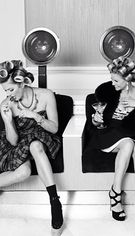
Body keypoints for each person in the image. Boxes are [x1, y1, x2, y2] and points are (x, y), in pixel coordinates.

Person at [88, 56, 135, 230]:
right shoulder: (108, 92)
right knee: (128, 143)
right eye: (112, 79)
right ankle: (116, 191)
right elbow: (99, 121)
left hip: (133, 133)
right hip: (109, 134)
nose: (112, 84)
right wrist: (96, 119)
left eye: (116, 80)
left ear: (127, 80)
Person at [0, 60, 63, 234]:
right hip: (20, 142)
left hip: (42, 136)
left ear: (22, 83)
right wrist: (7, 121)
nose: (8, 95)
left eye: (11, 89)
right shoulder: (7, 104)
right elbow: (12, 141)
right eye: (5, 91)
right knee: (23, 173)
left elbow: (54, 128)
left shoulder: (46, 95)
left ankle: (54, 201)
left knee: (36, 145)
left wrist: (35, 116)